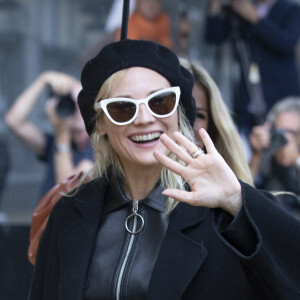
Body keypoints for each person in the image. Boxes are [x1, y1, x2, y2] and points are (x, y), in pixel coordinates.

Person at [29, 39, 300, 299]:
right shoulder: (71, 211)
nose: (145, 119)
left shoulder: (221, 214)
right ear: (100, 123)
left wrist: (237, 199)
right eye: (123, 108)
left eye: (160, 102)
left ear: (177, 111)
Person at [204, 0, 300, 134]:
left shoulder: (291, 9)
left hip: (279, 96)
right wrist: (215, 6)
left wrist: (255, 18)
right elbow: (214, 37)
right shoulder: (239, 8)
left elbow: (287, 43)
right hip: (248, 97)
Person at [5, 71, 94, 196]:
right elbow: (14, 121)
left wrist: (62, 134)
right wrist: (42, 80)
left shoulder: (99, 148)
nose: (77, 109)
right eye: (71, 103)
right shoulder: (55, 142)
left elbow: (68, 190)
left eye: (82, 102)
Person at [180, 57, 252, 184]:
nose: (188, 125)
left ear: (212, 129)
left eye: (199, 115)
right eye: (179, 112)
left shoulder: (231, 196)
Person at [249, 97, 300, 215]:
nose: (284, 137)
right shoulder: (268, 157)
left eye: (291, 132)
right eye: (279, 130)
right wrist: (256, 154)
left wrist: (296, 160)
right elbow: (244, 190)